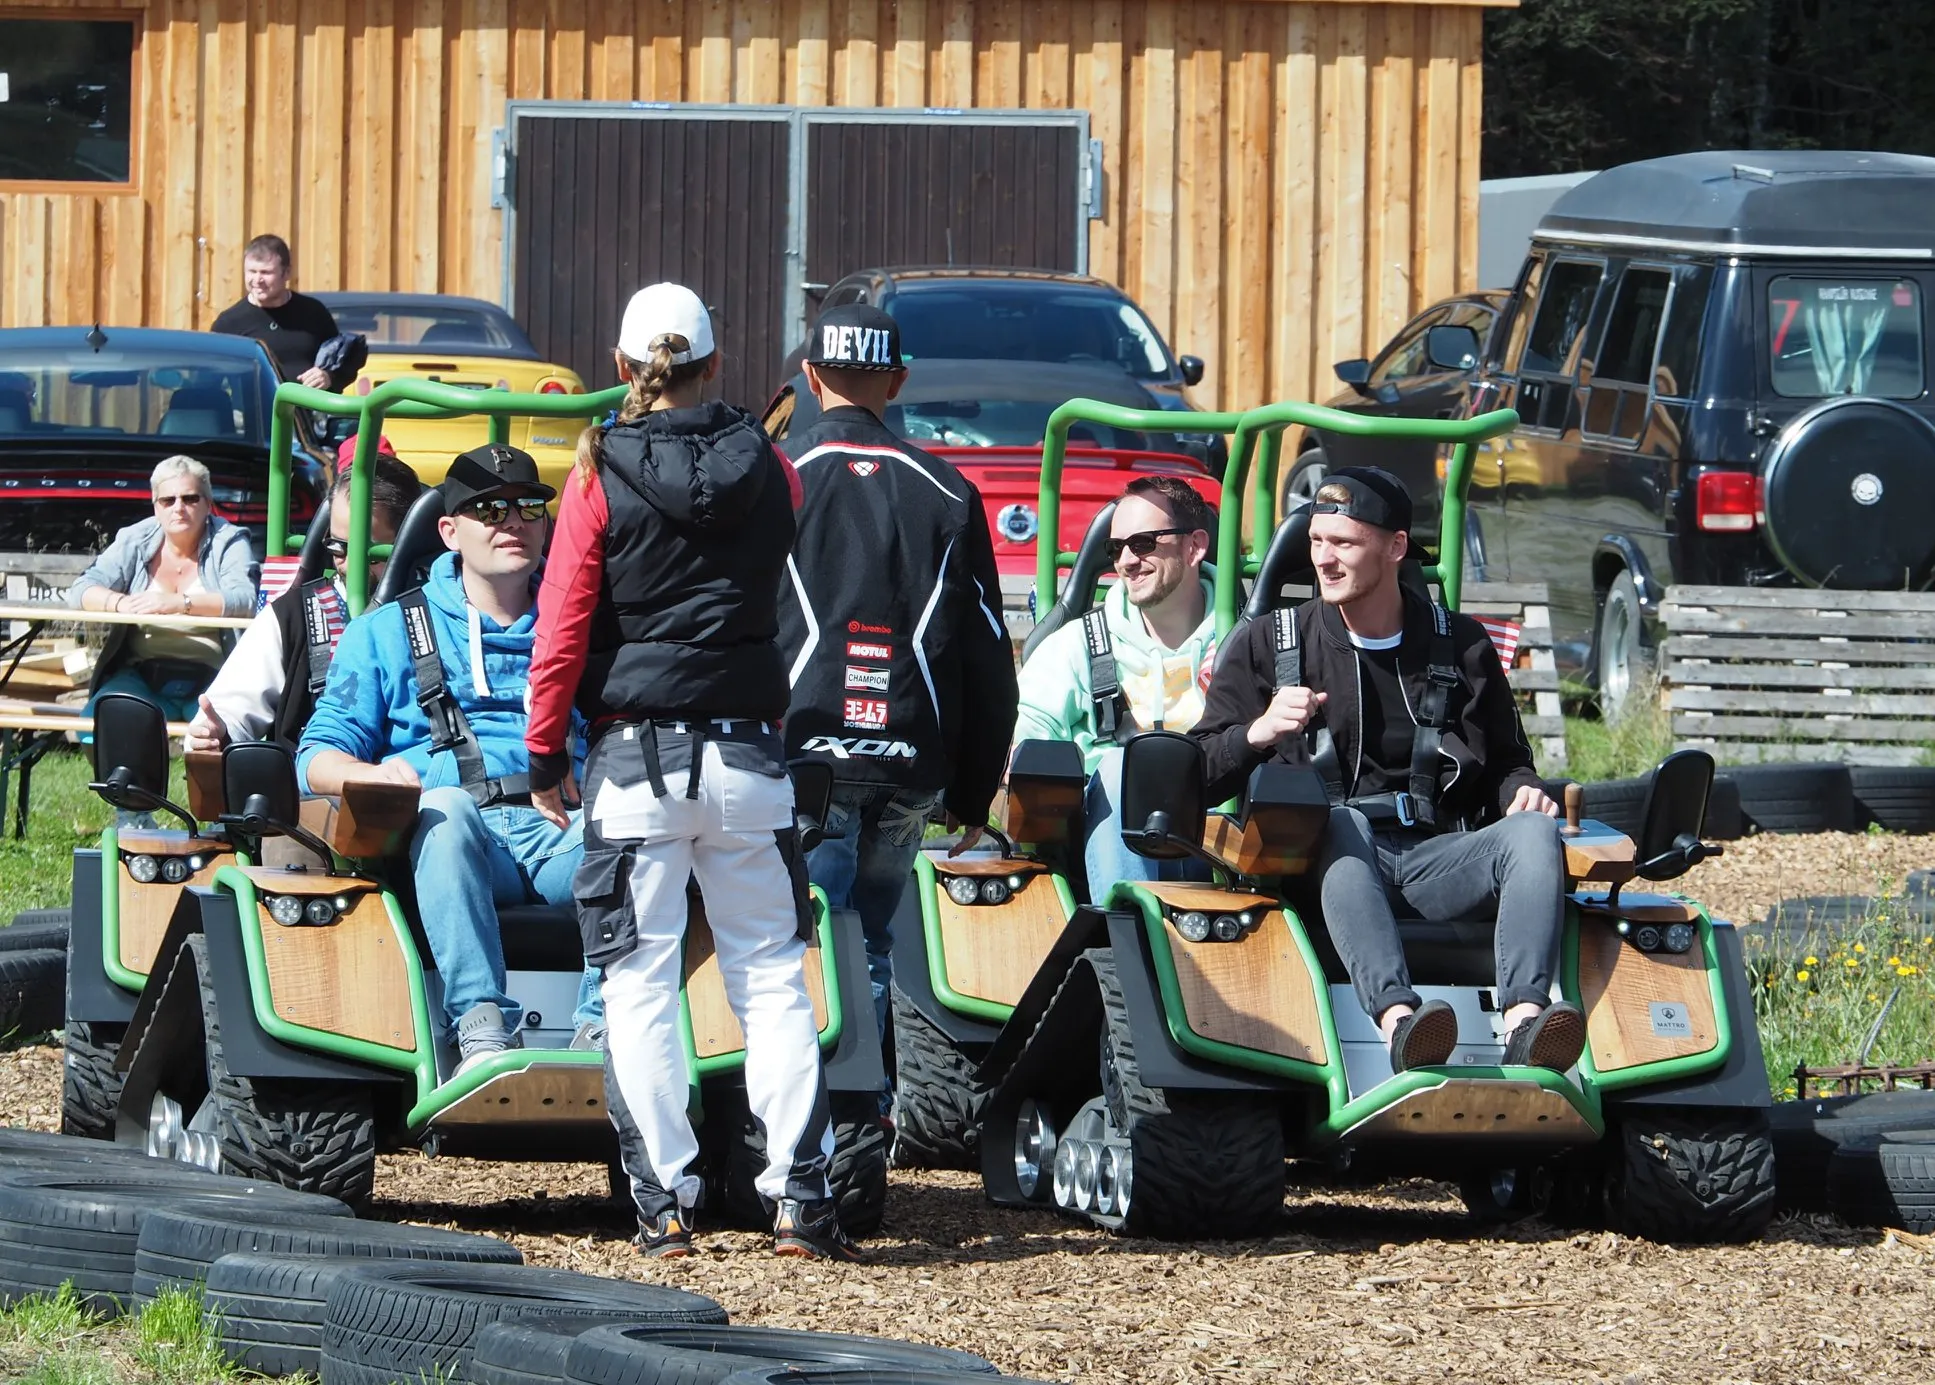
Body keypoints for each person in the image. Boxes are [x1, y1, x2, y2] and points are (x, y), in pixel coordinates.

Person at [526, 282, 859, 1262]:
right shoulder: (774, 466)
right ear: (716, 363)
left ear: (625, 369)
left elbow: (562, 627)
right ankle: (800, 1193)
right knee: (771, 979)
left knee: (638, 982)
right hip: (750, 753)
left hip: (637, 759)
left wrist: (547, 749)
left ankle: (662, 1201)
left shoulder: (596, 471)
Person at [1190, 467, 1585, 1074]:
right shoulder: (1265, 643)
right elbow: (1201, 774)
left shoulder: (1463, 646)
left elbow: (1506, 763)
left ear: (1396, 547)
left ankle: (1526, 1024)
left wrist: (1524, 792)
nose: (1324, 559)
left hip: (1434, 856)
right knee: (1341, 822)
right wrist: (1258, 732)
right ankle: (1402, 1023)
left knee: (1533, 833)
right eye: (1316, 542)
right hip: (1315, 864)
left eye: (1343, 543)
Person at [775, 303, 1019, 1095]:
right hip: (911, 759)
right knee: (868, 945)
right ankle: (863, 1115)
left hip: (797, 754)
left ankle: (809, 1129)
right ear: (899, 379)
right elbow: (987, 652)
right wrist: (975, 788)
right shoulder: (947, 489)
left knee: (798, 949)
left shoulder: (775, 475)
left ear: (810, 377)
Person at [298, 443, 603, 1070]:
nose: (512, 522)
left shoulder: (584, 627)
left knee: (639, 830)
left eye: (527, 508)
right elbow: (316, 757)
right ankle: (483, 1030)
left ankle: (604, 1028)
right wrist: (372, 772)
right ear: (449, 531)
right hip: (457, 836)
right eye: (489, 510)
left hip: (563, 833)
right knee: (444, 812)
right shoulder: (386, 631)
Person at [1010, 475, 1219, 897]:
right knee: (1121, 766)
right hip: (1103, 839)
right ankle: (1125, 931)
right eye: (1115, 548)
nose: (1125, 561)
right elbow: (1026, 754)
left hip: (1216, 841)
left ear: (1194, 546)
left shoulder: (1242, 642)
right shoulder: (1075, 647)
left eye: (1142, 543)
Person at [186, 449, 423, 753]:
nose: (350, 565)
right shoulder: (292, 616)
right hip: (313, 789)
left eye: (371, 552)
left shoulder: (442, 610)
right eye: (339, 547)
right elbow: (229, 709)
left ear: (409, 541)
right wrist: (216, 731)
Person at [68, 455, 259, 723]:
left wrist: (178, 603)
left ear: (208, 504)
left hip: (216, 677)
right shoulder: (134, 539)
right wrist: (120, 604)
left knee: (223, 735)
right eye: (168, 501)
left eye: (190, 498)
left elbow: (246, 600)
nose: (178, 508)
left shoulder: (229, 541)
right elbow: (80, 589)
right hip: (142, 676)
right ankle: (126, 768)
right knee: (96, 723)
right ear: (156, 507)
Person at [211, 235, 354, 391]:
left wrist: (328, 376)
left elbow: (344, 361)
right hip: (257, 414)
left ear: (286, 273)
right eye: (252, 271)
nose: (257, 280)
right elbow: (209, 379)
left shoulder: (313, 312)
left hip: (309, 412)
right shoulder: (229, 323)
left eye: (266, 273)